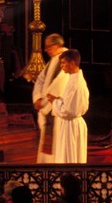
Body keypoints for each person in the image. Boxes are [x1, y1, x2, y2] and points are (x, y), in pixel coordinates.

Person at [44, 47, 90, 163]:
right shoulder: (74, 79)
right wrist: (58, 99)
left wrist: (54, 102)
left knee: (69, 159)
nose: (61, 66)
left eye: (63, 63)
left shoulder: (76, 83)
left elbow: (67, 111)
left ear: (72, 63)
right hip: (71, 124)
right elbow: (70, 104)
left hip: (71, 126)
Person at [30, 33, 67, 161]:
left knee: (54, 148)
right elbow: (40, 80)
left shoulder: (65, 60)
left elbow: (57, 88)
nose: (46, 50)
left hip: (54, 111)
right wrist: (37, 98)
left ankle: (52, 168)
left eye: (48, 47)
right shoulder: (54, 59)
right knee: (46, 146)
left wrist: (43, 104)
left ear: (56, 45)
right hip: (46, 107)